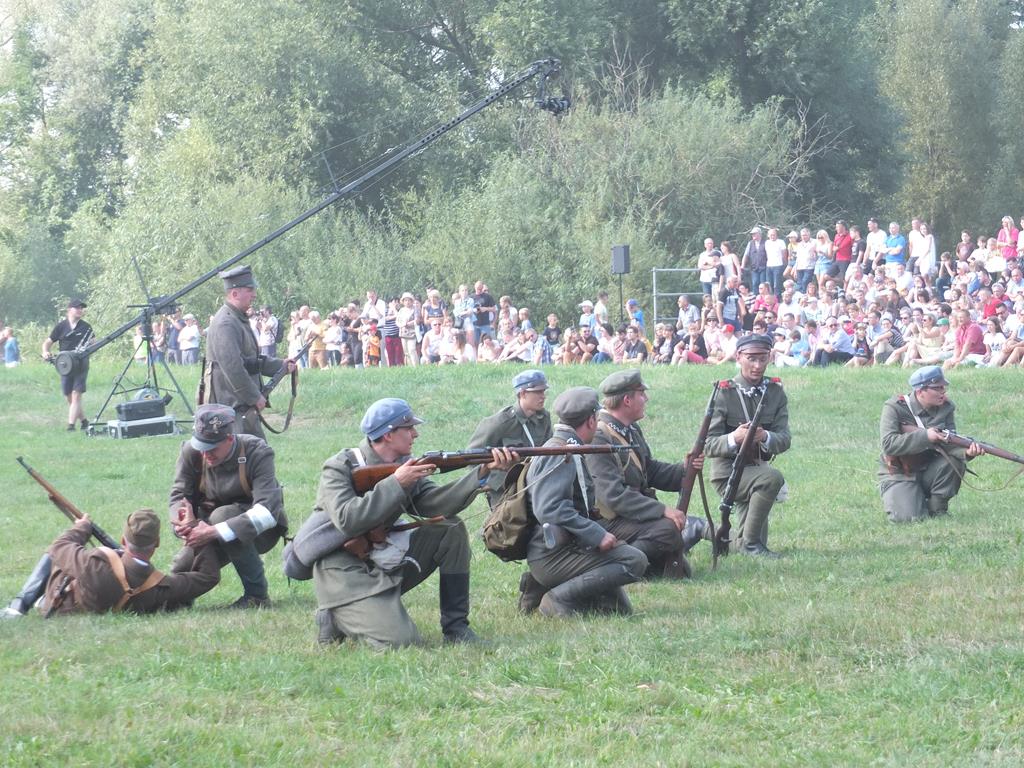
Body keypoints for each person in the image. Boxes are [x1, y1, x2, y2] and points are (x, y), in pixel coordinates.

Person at [312, 398, 515, 649]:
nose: (415, 434)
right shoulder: (339, 467)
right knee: (401, 642)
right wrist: (396, 483)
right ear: (388, 434)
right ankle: (335, 615)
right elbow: (348, 520)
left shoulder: (403, 466)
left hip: (381, 557)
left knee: (450, 529)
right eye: (409, 428)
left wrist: (481, 473)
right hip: (344, 571)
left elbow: (435, 504)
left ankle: (456, 628)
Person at [525, 387, 648, 618]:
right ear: (591, 420)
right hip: (553, 554)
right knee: (634, 561)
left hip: (567, 547)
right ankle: (557, 598)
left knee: (619, 610)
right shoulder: (559, 453)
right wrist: (597, 534)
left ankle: (543, 589)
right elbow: (549, 509)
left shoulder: (566, 447)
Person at [586, 370, 707, 580]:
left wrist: (684, 470)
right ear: (627, 400)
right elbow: (613, 495)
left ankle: (642, 565)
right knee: (667, 530)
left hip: (629, 516)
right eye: (641, 393)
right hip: (607, 521)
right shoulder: (600, 436)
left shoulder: (630, 429)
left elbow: (648, 470)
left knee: (680, 569)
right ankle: (616, 566)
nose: (646, 398)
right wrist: (662, 510)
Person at [168, 404, 288, 608]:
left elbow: (267, 511)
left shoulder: (257, 452)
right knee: (181, 569)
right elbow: (179, 495)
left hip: (258, 531)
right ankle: (175, 600)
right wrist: (184, 521)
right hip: (206, 525)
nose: (205, 454)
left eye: (212, 448)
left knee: (223, 515)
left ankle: (257, 596)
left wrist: (214, 531)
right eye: (201, 446)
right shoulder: (191, 451)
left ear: (230, 438)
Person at [1, 508, 220, 619]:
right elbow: (208, 577)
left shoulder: (94, 563)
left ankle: (19, 604)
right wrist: (198, 535)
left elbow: (59, 547)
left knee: (59, 555)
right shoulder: (160, 587)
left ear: (124, 540)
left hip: (61, 604)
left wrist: (81, 528)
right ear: (157, 543)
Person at [467, 369, 553, 611]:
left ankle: (537, 585)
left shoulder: (543, 418)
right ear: (522, 393)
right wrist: (489, 475)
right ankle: (534, 588)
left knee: (544, 530)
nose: (543, 396)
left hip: (536, 484)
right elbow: (472, 456)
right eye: (537, 392)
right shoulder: (500, 423)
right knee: (520, 535)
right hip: (506, 491)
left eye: (544, 391)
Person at [704, 334, 790, 556]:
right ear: (739, 357)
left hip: (756, 470)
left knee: (743, 541)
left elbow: (784, 439)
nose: (757, 365)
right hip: (728, 474)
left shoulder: (775, 392)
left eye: (763, 358)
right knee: (772, 478)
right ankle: (752, 546)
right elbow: (708, 444)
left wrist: (765, 436)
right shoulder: (724, 393)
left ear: (770, 357)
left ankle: (700, 529)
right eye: (751, 358)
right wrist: (735, 437)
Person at [878, 366, 983, 522]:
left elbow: (949, 442)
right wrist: (926, 436)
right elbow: (888, 444)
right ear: (920, 391)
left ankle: (937, 508)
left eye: (943, 387)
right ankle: (913, 499)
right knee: (908, 519)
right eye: (937, 388)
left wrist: (966, 452)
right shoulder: (895, 407)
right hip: (901, 472)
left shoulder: (946, 407)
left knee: (954, 460)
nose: (943, 392)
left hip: (931, 467)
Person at [204, 265, 296, 438]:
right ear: (234, 293)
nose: (254, 295)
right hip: (231, 410)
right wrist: (254, 397)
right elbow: (233, 368)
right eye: (249, 290)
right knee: (250, 453)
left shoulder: (237, 318)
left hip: (240, 406)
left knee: (256, 452)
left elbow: (249, 360)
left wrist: (280, 365)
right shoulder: (226, 323)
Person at [42, 298, 94, 431]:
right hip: (65, 364)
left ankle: (71, 426)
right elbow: (48, 342)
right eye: (77, 308)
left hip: (81, 363)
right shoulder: (61, 326)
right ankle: (84, 421)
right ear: (69, 310)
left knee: (76, 394)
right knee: (68, 395)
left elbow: (93, 342)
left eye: (81, 308)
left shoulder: (86, 327)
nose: (80, 310)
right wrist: (45, 351)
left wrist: (89, 347)